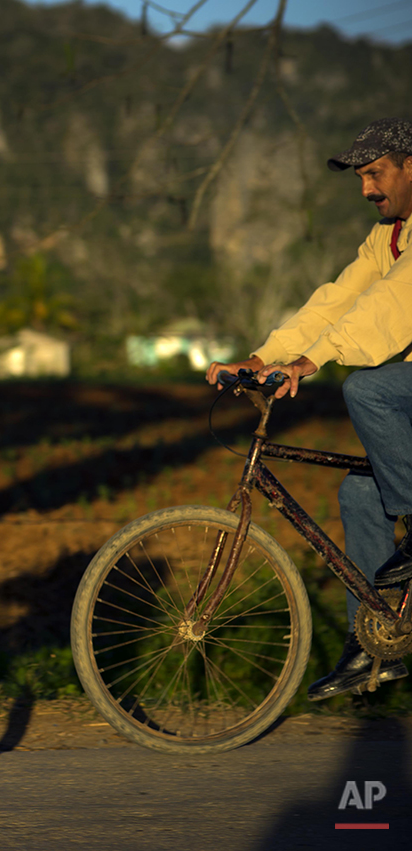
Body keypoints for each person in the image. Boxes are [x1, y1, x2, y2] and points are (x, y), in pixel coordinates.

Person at [206, 117, 412, 701]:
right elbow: (337, 302)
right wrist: (262, 358)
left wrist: (311, 363)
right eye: (362, 178)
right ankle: (377, 644)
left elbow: (394, 305)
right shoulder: (387, 238)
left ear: (410, 165)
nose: (367, 189)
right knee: (357, 494)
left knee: (368, 390)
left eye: (375, 173)